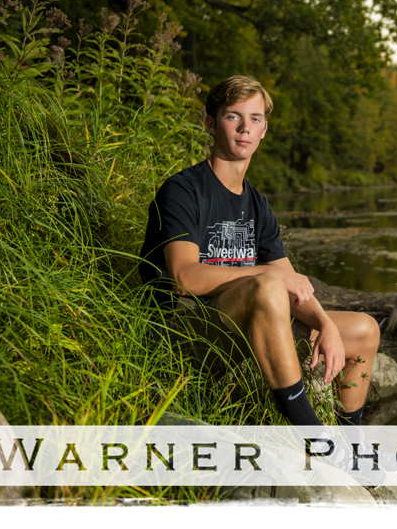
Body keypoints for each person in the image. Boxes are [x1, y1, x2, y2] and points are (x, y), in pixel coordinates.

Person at [138, 75, 380, 430]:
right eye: (233, 116)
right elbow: (184, 278)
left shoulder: (257, 205)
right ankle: (314, 437)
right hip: (185, 335)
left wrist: (326, 324)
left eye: (255, 119)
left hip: (246, 328)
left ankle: (350, 445)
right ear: (210, 121)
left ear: (264, 129)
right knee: (267, 285)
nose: (244, 128)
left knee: (363, 329)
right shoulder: (183, 190)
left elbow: (292, 284)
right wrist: (270, 277)